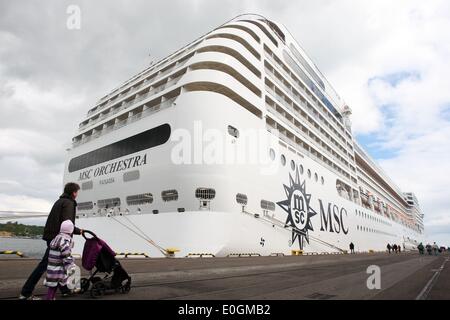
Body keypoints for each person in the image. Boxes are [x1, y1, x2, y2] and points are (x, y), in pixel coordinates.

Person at [19, 183, 83, 300]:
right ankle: (26, 292)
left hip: (51, 236)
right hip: (58, 238)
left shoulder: (59, 201)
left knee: (59, 263)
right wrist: (79, 231)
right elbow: (67, 223)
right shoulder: (69, 203)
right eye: (77, 192)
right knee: (46, 264)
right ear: (74, 192)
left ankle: (65, 290)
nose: (77, 194)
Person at [45, 220, 77, 300]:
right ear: (71, 230)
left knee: (54, 285)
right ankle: (50, 298)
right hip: (58, 267)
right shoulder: (65, 241)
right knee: (55, 285)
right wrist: (71, 265)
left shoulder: (56, 238)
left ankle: (51, 297)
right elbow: (66, 255)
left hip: (52, 266)